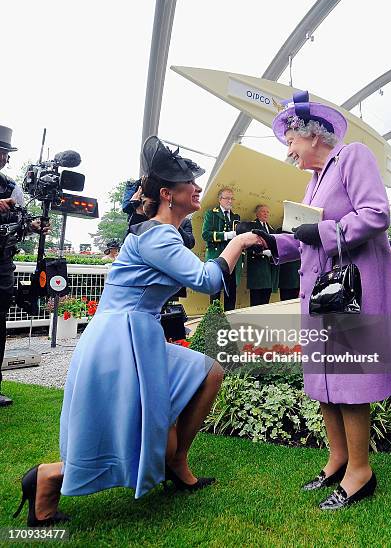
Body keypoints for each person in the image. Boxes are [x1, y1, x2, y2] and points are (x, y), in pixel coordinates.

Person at [13, 137, 262, 527]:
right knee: (123, 425)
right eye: (189, 185)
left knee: (209, 372)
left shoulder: (161, 232)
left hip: (136, 333)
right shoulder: (158, 234)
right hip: (121, 339)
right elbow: (206, 279)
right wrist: (239, 241)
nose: (198, 189)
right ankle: (47, 477)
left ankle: (175, 461)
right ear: (167, 194)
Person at [254, 91, 391, 510]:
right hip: (321, 294)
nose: (288, 149)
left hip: (350, 292)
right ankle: (338, 459)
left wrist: (324, 233)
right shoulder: (313, 180)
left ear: (311, 135)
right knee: (324, 381)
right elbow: (304, 236)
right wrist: (271, 241)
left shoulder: (352, 157)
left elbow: (375, 214)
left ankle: (360, 472)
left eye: (289, 140)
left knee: (348, 380)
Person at [0, 125, 48, 407]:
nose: (4, 158)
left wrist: (32, 226)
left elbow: (20, 223)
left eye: (5, 153)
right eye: (1, 152)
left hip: (2, 264)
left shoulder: (11, 186)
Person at [201, 187, 241, 311]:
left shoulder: (236, 217)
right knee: (215, 293)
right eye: (227, 198)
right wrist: (226, 235)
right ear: (220, 199)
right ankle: (214, 322)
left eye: (231, 198)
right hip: (216, 258)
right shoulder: (211, 214)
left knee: (231, 293)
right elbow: (206, 235)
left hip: (232, 259)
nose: (230, 201)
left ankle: (230, 322)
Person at [246, 205, 279, 306]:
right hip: (257, 269)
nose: (266, 214)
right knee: (256, 302)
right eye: (263, 211)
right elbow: (248, 245)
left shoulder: (271, 229)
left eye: (267, 212)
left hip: (269, 271)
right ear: (257, 213)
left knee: (265, 301)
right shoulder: (252, 226)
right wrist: (263, 252)